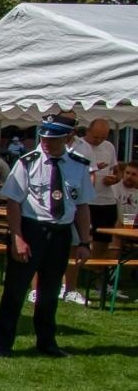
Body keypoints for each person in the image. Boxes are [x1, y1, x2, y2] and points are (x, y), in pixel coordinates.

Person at [0, 117, 95, 357]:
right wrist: (18, 237)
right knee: (15, 290)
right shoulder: (28, 163)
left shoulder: (78, 166)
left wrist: (83, 241)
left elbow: (82, 206)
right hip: (32, 229)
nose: (46, 143)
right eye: (44, 138)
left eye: (53, 139)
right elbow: (14, 203)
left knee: (49, 291)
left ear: (68, 139)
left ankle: (47, 342)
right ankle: (4, 344)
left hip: (60, 233)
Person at [61, 118, 121, 305]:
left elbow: (116, 169)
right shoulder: (82, 146)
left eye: (103, 137)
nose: (99, 141)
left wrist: (116, 178)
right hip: (87, 203)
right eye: (96, 136)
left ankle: (100, 283)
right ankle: (69, 284)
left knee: (104, 245)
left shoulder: (109, 147)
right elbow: (89, 173)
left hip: (106, 201)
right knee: (77, 243)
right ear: (88, 131)